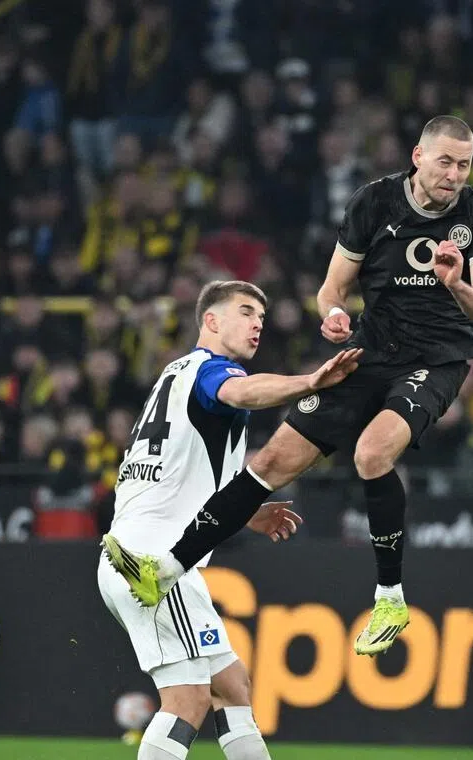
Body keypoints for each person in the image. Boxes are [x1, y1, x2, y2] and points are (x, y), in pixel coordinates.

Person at [102, 115, 473, 656]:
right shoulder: (373, 203)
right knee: (270, 463)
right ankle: (165, 571)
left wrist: (456, 284)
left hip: (435, 361)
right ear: (418, 157)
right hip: (368, 351)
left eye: (463, 165)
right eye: (445, 162)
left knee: (371, 454)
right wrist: (334, 315)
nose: (454, 174)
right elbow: (331, 290)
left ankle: (390, 599)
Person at [97, 280, 361, 760]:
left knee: (232, 685)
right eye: (245, 311)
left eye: (261, 314)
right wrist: (309, 381)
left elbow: (179, 474)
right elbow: (241, 393)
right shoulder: (210, 373)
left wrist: (245, 513)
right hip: (156, 564)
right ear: (211, 321)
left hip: (142, 549)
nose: (257, 322)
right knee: (189, 699)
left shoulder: (173, 377)